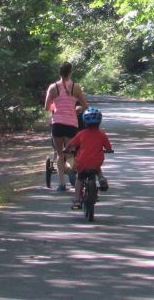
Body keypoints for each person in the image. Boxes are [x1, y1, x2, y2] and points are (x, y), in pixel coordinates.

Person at [43, 61, 88, 192]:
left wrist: (56, 108)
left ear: (60, 72)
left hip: (57, 123)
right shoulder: (76, 87)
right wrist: (77, 109)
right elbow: (85, 106)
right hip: (71, 124)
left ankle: (62, 184)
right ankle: (70, 169)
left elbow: (47, 106)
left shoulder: (53, 87)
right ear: (71, 72)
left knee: (59, 153)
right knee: (70, 154)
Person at [66, 107, 113, 209]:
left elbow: (71, 143)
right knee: (97, 168)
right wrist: (109, 150)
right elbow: (108, 148)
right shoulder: (102, 135)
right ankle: (101, 179)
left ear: (84, 122)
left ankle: (77, 200)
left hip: (82, 161)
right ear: (99, 122)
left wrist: (66, 149)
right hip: (97, 161)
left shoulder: (81, 134)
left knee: (79, 178)